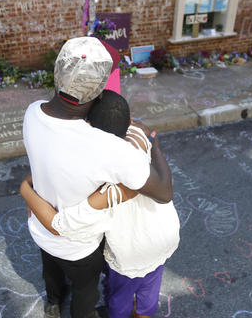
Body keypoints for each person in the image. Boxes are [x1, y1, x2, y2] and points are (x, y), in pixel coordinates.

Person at [22, 37, 172, 318]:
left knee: (51, 269)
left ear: (56, 75)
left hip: (39, 229)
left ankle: (53, 302)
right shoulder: (108, 148)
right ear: (99, 92)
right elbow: (163, 192)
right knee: (84, 292)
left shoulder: (32, 112)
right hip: (80, 247)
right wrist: (153, 142)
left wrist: (25, 189)